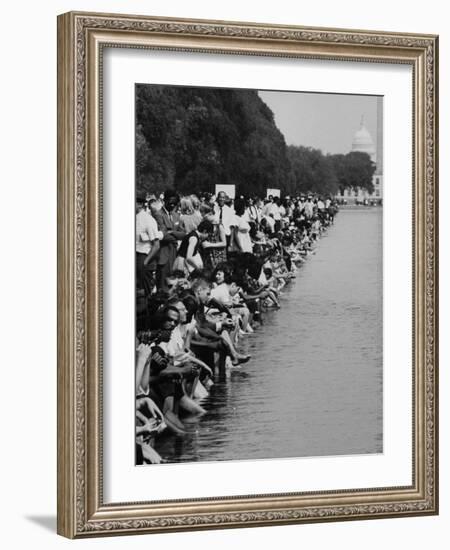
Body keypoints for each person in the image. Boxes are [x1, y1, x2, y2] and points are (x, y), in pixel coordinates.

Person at [153, 189, 186, 289]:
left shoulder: (176, 215)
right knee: (162, 286)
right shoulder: (158, 215)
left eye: (175, 203)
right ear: (165, 201)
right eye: (170, 203)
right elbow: (163, 235)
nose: (172, 205)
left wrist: (172, 232)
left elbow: (184, 234)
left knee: (173, 284)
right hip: (163, 254)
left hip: (174, 254)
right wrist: (174, 236)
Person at [136, 190, 160, 297]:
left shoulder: (148, 220)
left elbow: (156, 245)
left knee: (144, 293)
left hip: (142, 257)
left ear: (140, 204)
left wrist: (145, 262)